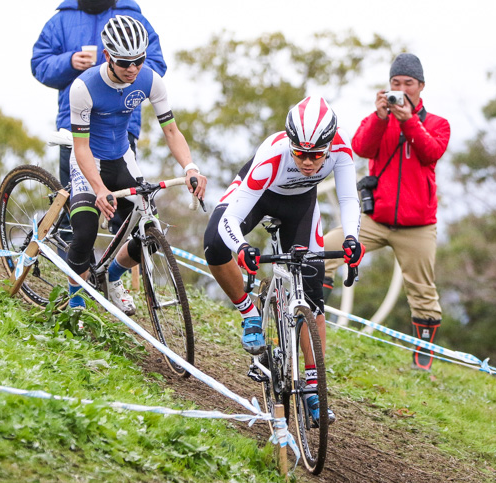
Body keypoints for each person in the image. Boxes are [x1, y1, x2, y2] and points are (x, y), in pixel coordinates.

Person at [203, 96, 365, 423]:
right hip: (257, 197)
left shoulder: (341, 149)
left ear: (329, 145)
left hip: (300, 206)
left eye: (317, 155)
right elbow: (230, 219)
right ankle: (249, 313)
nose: (308, 162)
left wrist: (352, 240)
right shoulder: (273, 154)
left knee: (313, 293)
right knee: (214, 243)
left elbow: (349, 199)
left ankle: (314, 388)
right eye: (301, 153)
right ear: (291, 143)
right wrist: (242, 248)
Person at [66, 15, 206, 314]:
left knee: (150, 232)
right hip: (89, 161)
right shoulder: (83, 87)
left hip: (122, 157)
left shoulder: (150, 79)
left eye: (138, 60)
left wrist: (190, 167)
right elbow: (80, 147)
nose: (132, 69)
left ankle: (110, 276)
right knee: (84, 231)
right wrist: (99, 189)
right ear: (107, 56)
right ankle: (75, 299)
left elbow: (171, 131)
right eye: (124, 62)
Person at [322, 53, 451, 372]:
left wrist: (409, 120)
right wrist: (381, 117)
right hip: (374, 220)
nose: (402, 89)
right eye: (396, 83)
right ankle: (312, 318)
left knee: (422, 290)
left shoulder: (438, 124)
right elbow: (361, 148)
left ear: (421, 86)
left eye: (409, 83)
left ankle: (423, 357)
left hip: (418, 226)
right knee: (322, 251)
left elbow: (430, 152)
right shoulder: (378, 118)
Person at [31, 0, 167, 191]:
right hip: (73, 124)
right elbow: (39, 65)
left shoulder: (134, 18)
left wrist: (123, 72)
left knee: (124, 207)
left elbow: (155, 65)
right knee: (74, 203)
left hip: (121, 126)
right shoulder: (59, 20)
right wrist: (69, 62)